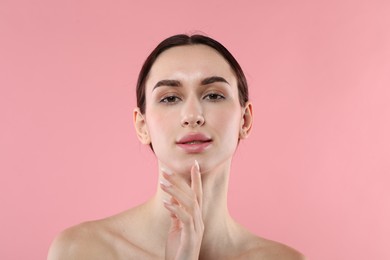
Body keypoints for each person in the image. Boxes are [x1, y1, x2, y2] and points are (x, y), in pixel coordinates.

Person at [48, 34, 305, 260]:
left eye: (213, 95)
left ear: (245, 120)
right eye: (170, 98)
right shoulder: (81, 251)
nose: (192, 115)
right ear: (142, 126)